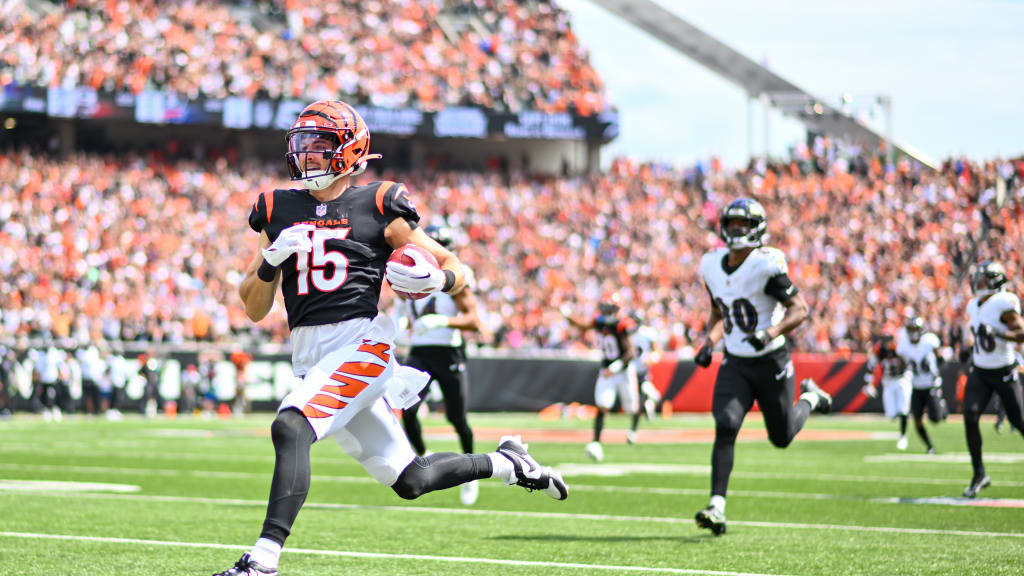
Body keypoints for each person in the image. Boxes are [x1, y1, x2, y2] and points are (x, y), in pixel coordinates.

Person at [214, 100, 567, 576]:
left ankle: (263, 560)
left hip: (361, 346)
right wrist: (269, 261)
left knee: (290, 425)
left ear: (348, 150)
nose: (307, 154)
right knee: (409, 478)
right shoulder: (276, 207)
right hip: (312, 358)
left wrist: (440, 282)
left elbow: (456, 267)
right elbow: (254, 308)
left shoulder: (379, 202)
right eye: (304, 144)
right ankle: (507, 464)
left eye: (320, 145)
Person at [692, 198, 832, 536]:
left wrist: (769, 333)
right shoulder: (711, 265)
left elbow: (799, 309)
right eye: (732, 224)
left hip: (771, 361)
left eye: (743, 224)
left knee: (781, 437)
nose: (736, 230)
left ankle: (810, 398)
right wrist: (709, 342)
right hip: (736, 361)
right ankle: (717, 507)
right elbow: (719, 311)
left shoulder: (765, 265)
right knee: (725, 425)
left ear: (756, 228)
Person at [396, 224, 483, 505]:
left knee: (457, 418)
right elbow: (403, 310)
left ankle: (471, 472)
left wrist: (442, 321)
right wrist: (399, 325)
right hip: (420, 352)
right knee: (408, 410)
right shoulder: (407, 271)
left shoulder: (455, 279)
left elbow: (474, 321)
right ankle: (424, 457)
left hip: (448, 352)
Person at [959, 261, 1024, 498]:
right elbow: (976, 335)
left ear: (996, 281)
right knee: (969, 415)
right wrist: (967, 350)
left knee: (1020, 422)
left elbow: (1022, 333)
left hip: (1004, 371)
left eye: (983, 279)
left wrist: (997, 332)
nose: (978, 283)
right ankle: (979, 474)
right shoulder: (973, 305)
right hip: (980, 370)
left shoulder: (1004, 302)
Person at [561, 291, 641, 462]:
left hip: (623, 369)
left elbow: (631, 352)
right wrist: (567, 314)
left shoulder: (621, 325)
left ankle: (633, 431)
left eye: (609, 308)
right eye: (604, 307)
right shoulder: (598, 321)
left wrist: (616, 366)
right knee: (602, 405)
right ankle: (596, 441)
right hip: (607, 369)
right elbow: (583, 325)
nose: (605, 311)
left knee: (631, 406)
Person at [898, 316, 947, 453]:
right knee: (917, 420)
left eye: (915, 329)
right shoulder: (904, 345)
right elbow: (902, 363)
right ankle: (929, 446)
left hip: (930, 384)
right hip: (916, 386)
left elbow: (941, 358)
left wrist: (937, 374)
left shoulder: (929, 341)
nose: (913, 332)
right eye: (911, 329)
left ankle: (942, 406)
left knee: (935, 419)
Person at [862, 333, 913, 450]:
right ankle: (899, 422)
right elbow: (872, 366)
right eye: (885, 339)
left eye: (888, 339)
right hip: (888, 382)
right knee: (890, 414)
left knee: (903, 408)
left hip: (902, 379)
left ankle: (903, 436)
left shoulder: (901, 348)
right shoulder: (880, 350)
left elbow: (910, 362)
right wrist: (869, 384)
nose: (887, 342)